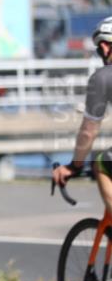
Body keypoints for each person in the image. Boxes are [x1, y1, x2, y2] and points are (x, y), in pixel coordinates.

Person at [53, 16, 112, 205]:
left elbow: (89, 130)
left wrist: (74, 166)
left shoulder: (103, 77)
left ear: (104, 47)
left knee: (101, 163)